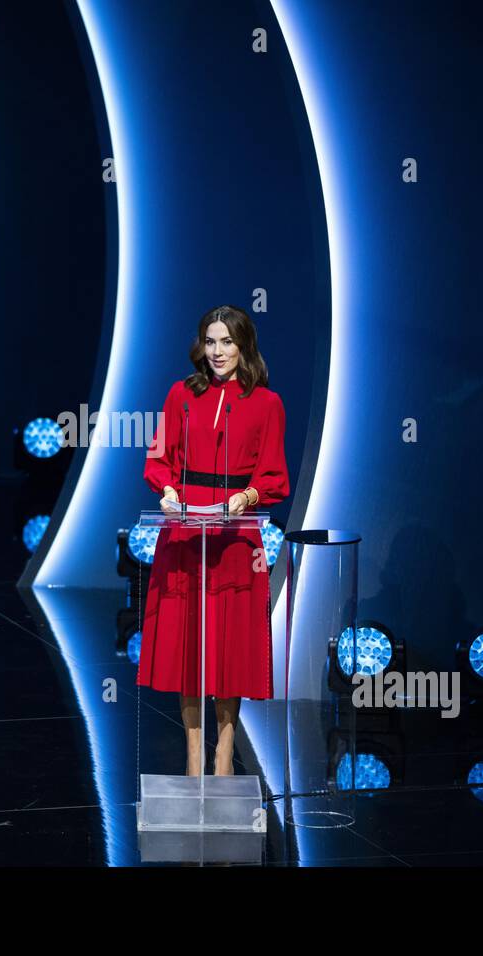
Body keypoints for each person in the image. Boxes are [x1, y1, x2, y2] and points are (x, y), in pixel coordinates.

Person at [137, 305, 290, 776]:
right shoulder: (180, 394)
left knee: (228, 645)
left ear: (243, 346)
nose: (218, 351)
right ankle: (193, 753)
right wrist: (166, 490)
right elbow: (160, 457)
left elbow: (274, 476)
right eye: (210, 341)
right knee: (190, 643)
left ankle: (225, 751)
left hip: (236, 536)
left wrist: (247, 496)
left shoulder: (267, 403)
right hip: (185, 530)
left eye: (226, 342)